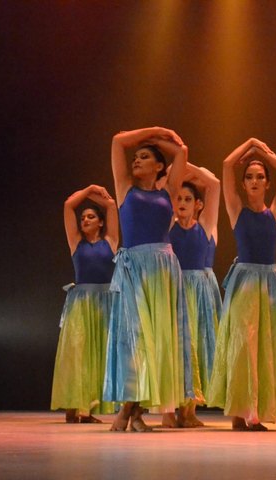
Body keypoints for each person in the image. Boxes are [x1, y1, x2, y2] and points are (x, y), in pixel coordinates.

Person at [103, 126, 193, 432]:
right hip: (134, 269)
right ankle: (128, 408)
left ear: (159, 167)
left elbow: (181, 152)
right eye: (136, 157)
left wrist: (158, 142)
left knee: (156, 341)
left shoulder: (168, 192)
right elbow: (118, 141)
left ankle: (136, 412)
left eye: (145, 157)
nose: (136, 160)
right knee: (135, 340)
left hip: (163, 269)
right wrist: (151, 132)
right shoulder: (125, 189)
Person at [208, 138, 276, 431]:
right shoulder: (237, 209)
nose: (254, 180)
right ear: (244, 183)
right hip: (245, 282)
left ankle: (252, 411)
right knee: (243, 346)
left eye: (260, 176)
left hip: (269, 283)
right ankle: (241, 411)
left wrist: (263, 152)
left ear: (267, 184)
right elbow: (225, 165)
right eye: (249, 176)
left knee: (264, 347)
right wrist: (248, 145)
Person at [51, 185, 118, 423]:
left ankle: (88, 409)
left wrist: (98, 196)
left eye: (91, 216)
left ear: (101, 222)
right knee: (78, 354)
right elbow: (69, 205)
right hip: (81, 302)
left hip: (104, 303)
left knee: (97, 354)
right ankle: (72, 406)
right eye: (83, 218)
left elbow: (111, 206)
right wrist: (90, 188)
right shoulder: (76, 243)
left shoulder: (111, 241)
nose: (85, 220)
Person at [169, 165, 221, 427]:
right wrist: (177, 172)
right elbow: (167, 180)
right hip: (176, 291)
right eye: (178, 198)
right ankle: (171, 410)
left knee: (196, 348)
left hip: (199, 294)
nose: (182, 203)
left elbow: (215, 185)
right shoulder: (169, 227)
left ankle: (189, 410)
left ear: (199, 204)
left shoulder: (207, 226)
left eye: (188, 199)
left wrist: (187, 168)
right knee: (179, 349)